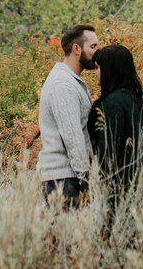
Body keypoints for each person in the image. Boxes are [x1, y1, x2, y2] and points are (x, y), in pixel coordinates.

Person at [88, 44, 143, 230]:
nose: (95, 73)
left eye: (98, 67)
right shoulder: (131, 99)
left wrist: (94, 184)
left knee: (112, 239)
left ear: (110, 70)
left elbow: (107, 149)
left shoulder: (113, 103)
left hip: (117, 187)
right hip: (135, 182)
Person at [38, 23, 98, 208]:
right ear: (76, 49)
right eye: (93, 46)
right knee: (65, 236)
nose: (98, 52)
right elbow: (72, 137)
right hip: (63, 179)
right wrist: (87, 182)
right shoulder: (63, 85)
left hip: (67, 177)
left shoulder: (71, 81)